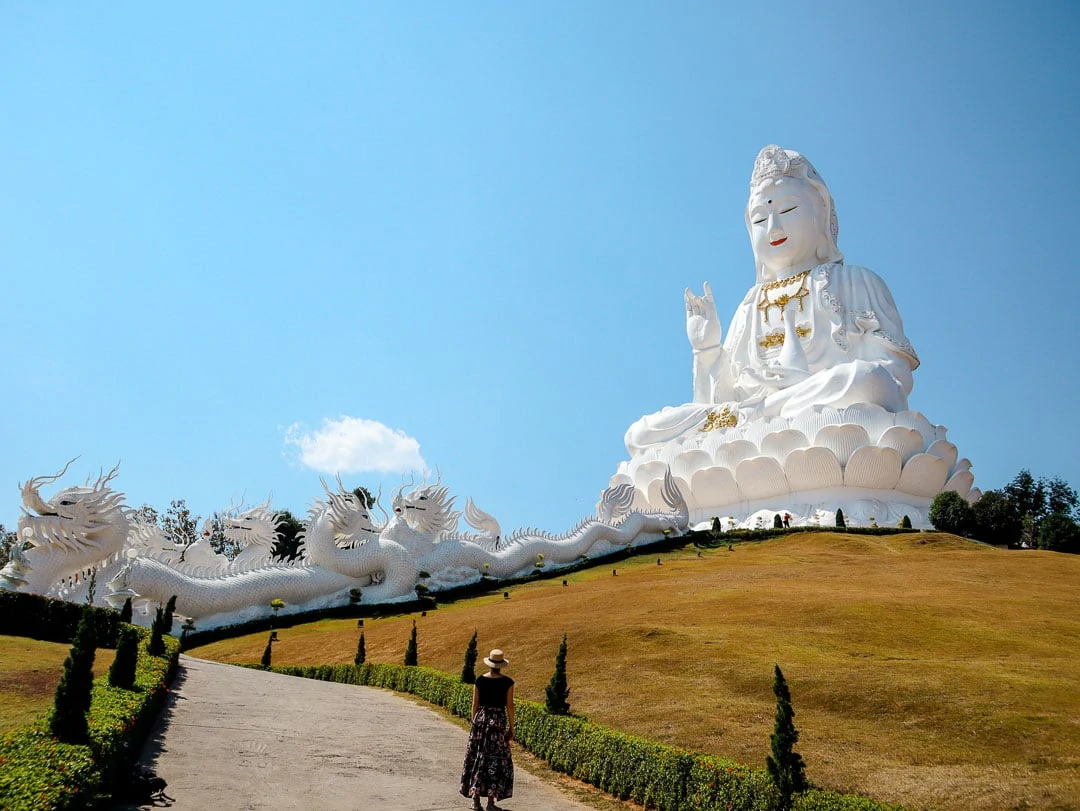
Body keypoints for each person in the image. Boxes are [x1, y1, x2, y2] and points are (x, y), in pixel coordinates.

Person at [625, 145, 919, 455]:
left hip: (829, 423)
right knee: (640, 434)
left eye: (788, 210)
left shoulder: (855, 282)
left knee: (865, 380)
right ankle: (763, 415)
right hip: (748, 419)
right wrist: (707, 348)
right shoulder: (751, 303)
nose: (774, 228)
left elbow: (891, 381)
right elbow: (720, 402)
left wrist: (797, 388)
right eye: (760, 219)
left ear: (820, 213)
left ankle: (765, 414)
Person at [460, 649, 515, 810]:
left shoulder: (479, 681)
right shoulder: (508, 683)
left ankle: (475, 800)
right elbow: (510, 707)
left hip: (481, 722)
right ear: (501, 665)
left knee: (478, 758)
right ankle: (491, 802)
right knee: (495, 761)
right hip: (497, 723)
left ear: (490, 664)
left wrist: (474, 721)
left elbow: (475, 704)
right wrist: (512, 727)